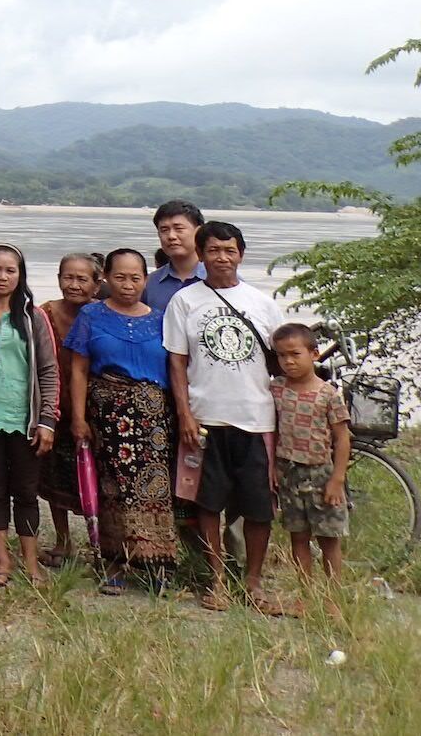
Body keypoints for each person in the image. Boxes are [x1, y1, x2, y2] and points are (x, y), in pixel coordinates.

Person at [165, 220, 286, 613]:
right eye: (213, 250)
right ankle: (215, 579)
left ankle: (252, 581)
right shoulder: (185, 301)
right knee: (207, 505)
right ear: (200, 255)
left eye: (230, 250)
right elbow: (178, 363)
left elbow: (284, 361)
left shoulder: (263, 303)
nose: (222, 258)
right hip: (206, 419)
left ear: (241, 254)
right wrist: (184, 414)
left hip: (256, 418)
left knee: (258, 506)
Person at [65, 248, 176, 595]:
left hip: (153, 416)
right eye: (120, 277)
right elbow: (79, 369)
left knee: (154, 489)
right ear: (106, 279)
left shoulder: (161, 318)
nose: (128, 285)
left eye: (135, 278)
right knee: (110, 489)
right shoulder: (91, 315)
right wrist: (79, 417)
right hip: (107, 416)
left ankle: (157, 562)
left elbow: (175, 369)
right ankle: (114, 562)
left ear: (146, 279)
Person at [0, 244, 59, 587]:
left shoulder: (32, 316)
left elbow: (49, 371)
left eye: (10, 270)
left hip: (25, 418)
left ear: (20, 275)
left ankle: (32, 563)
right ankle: (2, 561)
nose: (3, 277)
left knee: (25, 490)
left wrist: (47, 420)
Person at [270, 323, 350, 589]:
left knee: (328, 537)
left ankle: (332, 596)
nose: (288, 361)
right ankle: (306, 594)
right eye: (282, 356)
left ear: (314, 354)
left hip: (320, 473)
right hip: (288, 473)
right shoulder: (276, 389)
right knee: (298, 535)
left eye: (295, 354)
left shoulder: (328, 394)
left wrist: (337, 478)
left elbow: (341, 438)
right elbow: (271, 432)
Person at [38, 252, 102, 565]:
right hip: (55, 405)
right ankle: (63, 541)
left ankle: (104, 543)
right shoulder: (45, 313)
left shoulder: (104, 314)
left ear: (96, 283)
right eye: (68, 277)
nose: (74, 285)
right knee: (54, 477)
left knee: (100, 478)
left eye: (82, 279)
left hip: (97, 409)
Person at [145, 199, 207, 310]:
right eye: (164, 230)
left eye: (179, 229)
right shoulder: (150, 283)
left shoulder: (221, 279)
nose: (171, 236)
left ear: (198, 232)